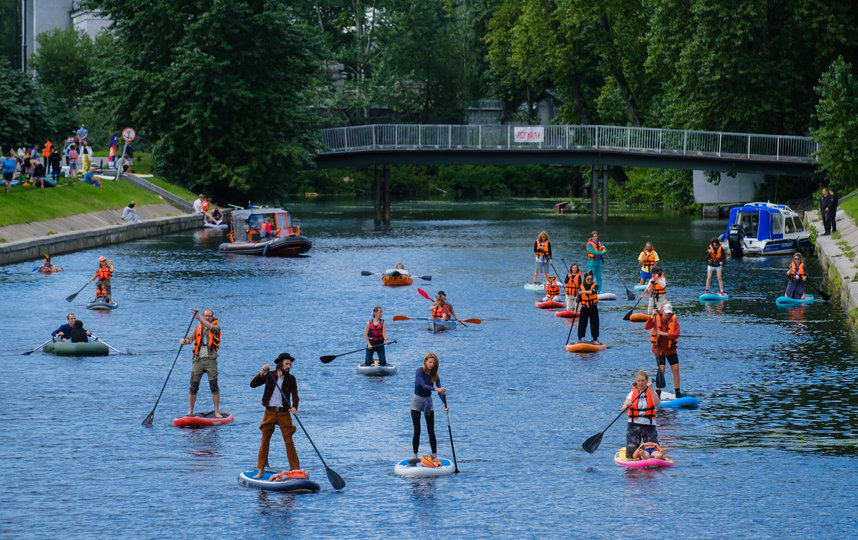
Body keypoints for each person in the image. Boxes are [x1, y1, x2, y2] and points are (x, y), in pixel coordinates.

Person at [250, 352, 304, 479]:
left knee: (289, 441)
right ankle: (261, 470)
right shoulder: (270, 375)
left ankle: (295, 470)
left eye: (290, 364)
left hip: (284, 413)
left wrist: (295, 407)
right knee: (265, 441)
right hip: (269, 412)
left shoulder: (291, 379)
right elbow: (253, 384)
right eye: (286, 364)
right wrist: (262, 372)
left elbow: (295, 396)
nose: (289, 366)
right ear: (280, 364)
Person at [181, 309, 223, 418]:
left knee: (214, 385)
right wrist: (185, 341)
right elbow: (190, 338)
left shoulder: (216, 327)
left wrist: (199, 318)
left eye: (209, 316)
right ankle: (190, 411)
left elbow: (212, 328)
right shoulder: (198, 328)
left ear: (212, 317)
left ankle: (217, 411)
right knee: (193, 386)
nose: (207, 317)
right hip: (198, 361)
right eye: (205, 316)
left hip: (211, 361)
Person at [411, 352, 448, 463]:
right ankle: (415, 456)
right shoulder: (419, 371)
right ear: (425, 362)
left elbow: (440, 391)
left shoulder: (435, 375)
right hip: (417, 402)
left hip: (428, 402)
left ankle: (435, 456)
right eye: (430, 362)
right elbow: (423, 385)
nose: (431, 364)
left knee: (431, 430)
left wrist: (445, 405)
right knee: (417, 430)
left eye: (433, 363)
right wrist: (436, 389)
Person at [623, 371, 665, 461]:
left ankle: (651, 455)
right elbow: (623, 411)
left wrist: (651, 389)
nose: (640, 383)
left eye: (642, 381)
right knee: (630, 455)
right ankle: (643, 454)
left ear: (646, 381)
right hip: (634, 426)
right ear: (636, 381)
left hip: (649, 426)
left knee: (653, 449)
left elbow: (656, 403)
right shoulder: (631, 394)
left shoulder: (651, 392)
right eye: (639, 381)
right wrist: (627, 405)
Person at [645, 303, 681, 398]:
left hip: (671, 349)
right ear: (662, 312)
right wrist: (652, 316)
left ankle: (677, 392)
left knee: (676, 369)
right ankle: (658, 392)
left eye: (669, 313)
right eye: (666, 313)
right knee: (662, 370)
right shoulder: (656, 319)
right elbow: (647, 327)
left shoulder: (674, 321)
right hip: (659, 350)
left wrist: (664, 334)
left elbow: (676, 334)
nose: (667, 315)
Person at [577, 272, 601, 344]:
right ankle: (580, 338)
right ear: (585, 279)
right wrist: (578, 299)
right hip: (584, 307)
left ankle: (595, 339)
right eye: (588, 279)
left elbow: (592, 292)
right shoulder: (581, 287)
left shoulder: (595, 286)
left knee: (594, 322)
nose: (590, 280)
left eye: (591, 279)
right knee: (582, 322)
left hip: (593, 307)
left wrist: (583, 292)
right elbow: (579, 298)